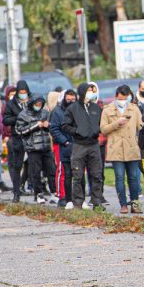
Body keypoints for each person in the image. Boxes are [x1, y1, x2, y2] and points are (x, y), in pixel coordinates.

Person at [100, 85, 144, 214]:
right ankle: (123, 204)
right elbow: (103, 129)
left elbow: (141, 126)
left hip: (131, 147)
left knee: (134, 177)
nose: (123, 100)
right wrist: (116, 123)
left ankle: (135, 204)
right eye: (121, 98)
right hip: (116, 148)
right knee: (119, 177)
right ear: (115, 97)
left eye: (126, 98)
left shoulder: (134, 109)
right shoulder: (107, 110)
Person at [62, 82, 104, 210]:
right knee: (78, 175)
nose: (92, 93)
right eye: (89, 91)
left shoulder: (96, 108)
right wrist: (77, 131)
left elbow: (101, 123)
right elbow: (65, 125)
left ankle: (97, 202)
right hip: (79, 145)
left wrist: (97, 131)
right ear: (82, 92)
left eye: (93, 90)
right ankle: (78, 203)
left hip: (94, 144)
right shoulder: (72, 108)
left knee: (97, 174)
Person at [15, 97, 57, 204]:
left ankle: (54, 193)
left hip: (46, 147)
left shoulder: (45, 113)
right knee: (36, 172)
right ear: (32, 103)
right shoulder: (23, 115)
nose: (38, 106)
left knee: (52, 170)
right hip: (33, 148)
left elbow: (52, 128)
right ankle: (38, 194)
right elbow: (20, 131)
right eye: (37, 104)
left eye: (40, 104)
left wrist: (48, 125)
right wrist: (35, 126)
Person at [3, 80, 31, 202]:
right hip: (17, 137)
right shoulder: (11, 104)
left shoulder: (32, 101)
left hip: (31, 136)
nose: (23, 94)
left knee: (31, 164)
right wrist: (19, 117)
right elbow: (6, 120)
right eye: (21, 92)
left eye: (25, 92)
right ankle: (16, 192)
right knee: (16, 165)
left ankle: (24, 185)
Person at [49, 89, 77, 209]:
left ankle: (76, 197)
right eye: (68, 99)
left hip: (77, 145)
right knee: (63, 171)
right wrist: (64, 141)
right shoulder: (57, 112)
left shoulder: (78, 110)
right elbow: (54, 128)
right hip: (63, 144)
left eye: (73, 99)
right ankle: (62, 196)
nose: (71, 101)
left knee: (77, 172)